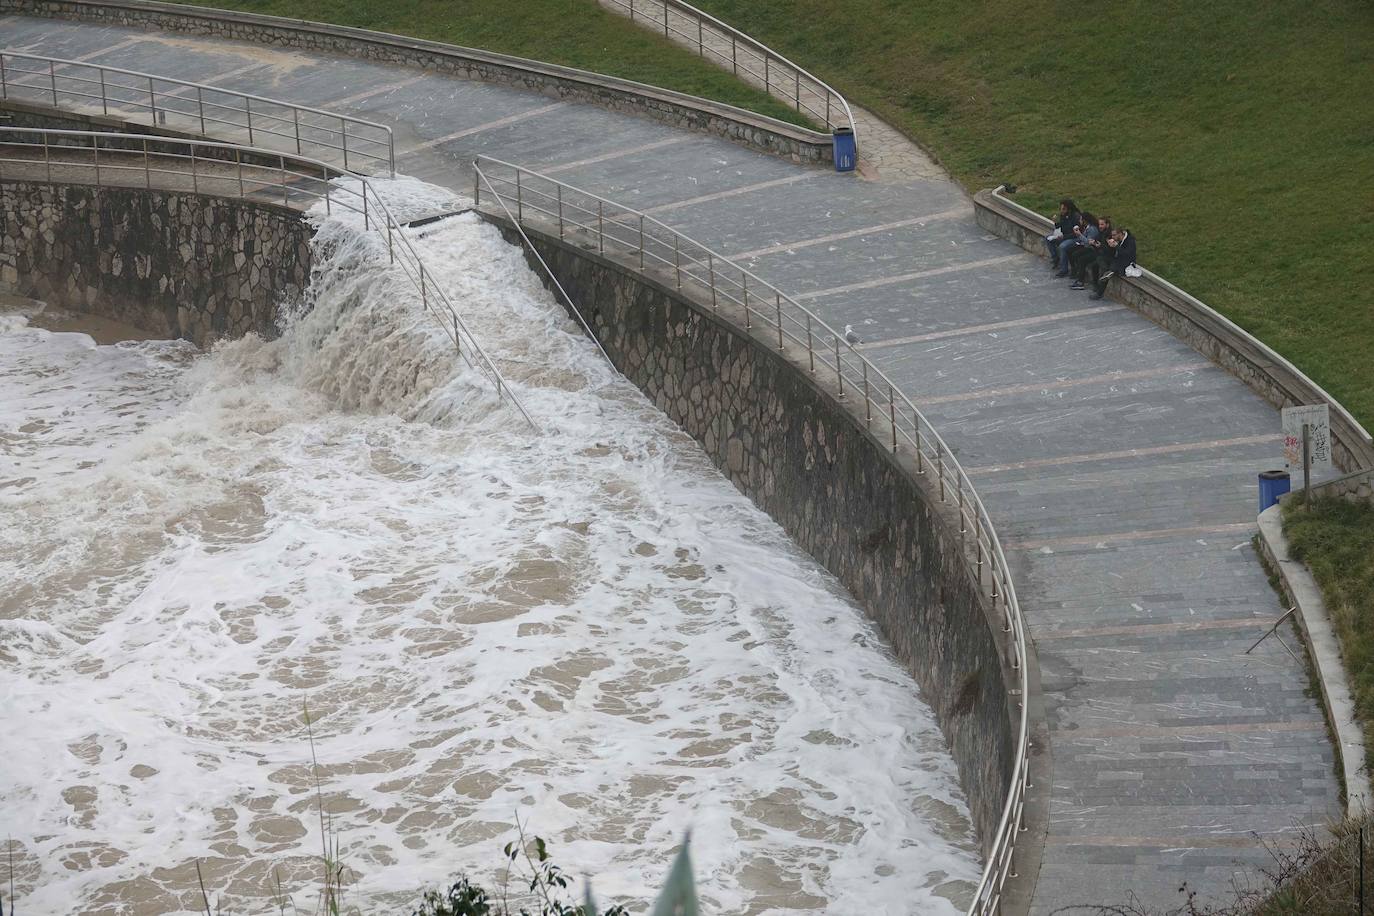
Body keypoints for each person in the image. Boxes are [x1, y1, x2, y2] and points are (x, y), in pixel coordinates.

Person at [1090, 227, 1137, 300]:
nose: (1113, 237)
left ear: (1120, 234)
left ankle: (1099, 293)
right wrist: (1102, 246)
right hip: (1115, 259)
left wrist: (1116, 246)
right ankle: (1105, 274)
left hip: (1125, 262)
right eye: (1112, 235)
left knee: (1109, 269)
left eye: (1114, 235)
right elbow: (1110, 253)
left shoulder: (1130, 241)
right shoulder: (1117, 240)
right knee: (1098, 261)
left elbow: (1127, 254)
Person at [1068, 215, 1111, 289]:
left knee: (1084, 260)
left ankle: (1082, 282)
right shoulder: (1101, 232)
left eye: (1102, 224)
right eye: (1099, 224)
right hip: (1096, 250)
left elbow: (1108, 249)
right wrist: (1094, 242)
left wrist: (1097, 245)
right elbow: (1093, 242)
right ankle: (1079, 277)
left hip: (1101, 254)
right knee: (1075, 253)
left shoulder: (1108, 234)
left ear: (1107, 225)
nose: (1100, 226)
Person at [1055, 211, 1098, 278]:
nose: (1079, 221)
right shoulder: (1086, 227)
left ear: (1085, 220)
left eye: (1081, 219)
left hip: (1090, 248)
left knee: (1076, 254)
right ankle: (1074, 269)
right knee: (1069, 250)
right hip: (1083, 244)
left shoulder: (1092, 229)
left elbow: (1088, 242)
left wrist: (1079, 235)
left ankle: (1079, 273)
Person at [1043, 198, 1079, 270]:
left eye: (1063, 209)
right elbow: (1061, 226)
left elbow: (1076, 233)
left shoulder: (1075, 217)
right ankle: (1055, 259)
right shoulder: (1063, 215)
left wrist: (1064, 237)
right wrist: (1056, 222)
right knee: (1048, 238)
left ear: (1069, 209)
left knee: (1062, 246)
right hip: (1064, 236)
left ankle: (1063, 269)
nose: (1061, 211)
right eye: (1061, 209)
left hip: (1074, 238)